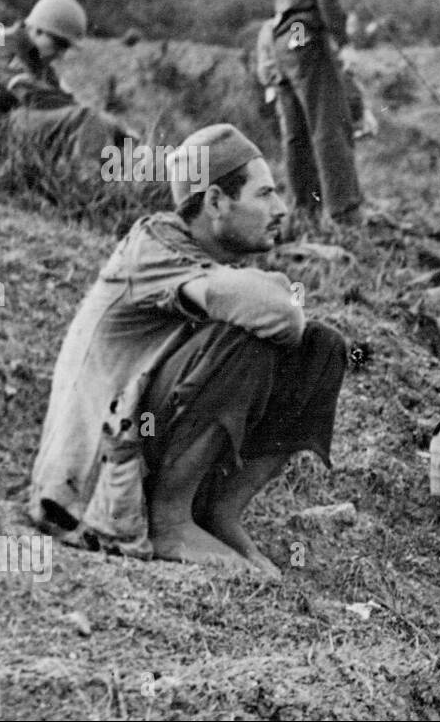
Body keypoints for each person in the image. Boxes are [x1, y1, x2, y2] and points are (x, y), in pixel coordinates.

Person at [28, 124, 348, 577]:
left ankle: (220, 512)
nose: (280, 209)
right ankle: (170, 521)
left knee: (323, 348)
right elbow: (281, 313)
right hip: (92, 477)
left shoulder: (201, 259)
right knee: (243, 340)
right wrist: (273, 288)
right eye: (264, 195)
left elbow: (288, 321)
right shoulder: (154, 247)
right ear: (216, 201)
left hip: (139, 439)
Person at [270, 0, 363, 229]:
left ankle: (303, 213)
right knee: (330, 123)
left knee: (296, 132)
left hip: (282, 40)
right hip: (305, 35)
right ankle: (344, 214)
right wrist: (344, 42)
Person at [0, 0, 130, 161]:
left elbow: (66, 99)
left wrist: (111, 125)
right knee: (83, 119)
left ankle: (123, 173)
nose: (61, 54)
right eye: (60, 44)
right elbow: (33, 93)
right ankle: (93, 183)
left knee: (94, 123)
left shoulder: (38, 60)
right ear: (38, 31)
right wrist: (92, 116)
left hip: (9, 127)